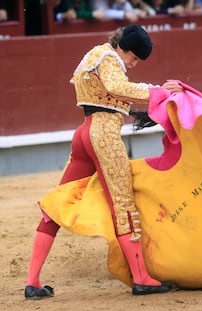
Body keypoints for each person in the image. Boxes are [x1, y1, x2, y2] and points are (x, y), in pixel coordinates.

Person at [24, 24, 182, 300]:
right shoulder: (109, 58)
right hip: (104, 135)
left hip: (84, 133)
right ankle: (141, 278)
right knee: (122, 204)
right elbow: (116, 86)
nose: (133, 65)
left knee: (59, 202)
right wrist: (159, 92)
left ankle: (32, 281)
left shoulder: (93, 55)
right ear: (125, 48)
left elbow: (108, 92)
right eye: (134, 58)